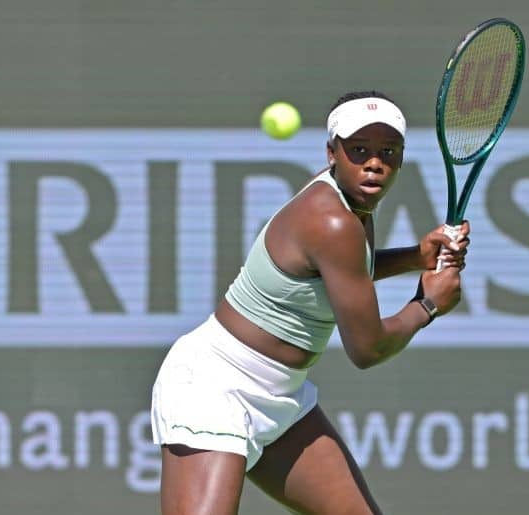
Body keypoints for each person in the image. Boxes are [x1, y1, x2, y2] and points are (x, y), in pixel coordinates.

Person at [149, 91, 470, 515]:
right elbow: (367, 349)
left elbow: (341, 273)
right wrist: (426, 306)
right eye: (359, 150)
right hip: (215, 387)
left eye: (387, 151)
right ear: (332, 153)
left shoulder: (354, 203)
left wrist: (415, 257)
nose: (374, 162)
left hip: (281, 394)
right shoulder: (332, 220)